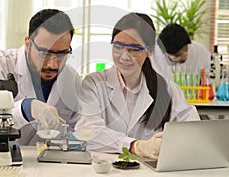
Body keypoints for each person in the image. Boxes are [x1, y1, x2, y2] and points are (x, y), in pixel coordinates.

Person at [75, 13, 200, 159]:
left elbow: (193, 130)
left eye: (134, 49)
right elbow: (88, 131)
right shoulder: (94, 84)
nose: (124, 56)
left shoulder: (168, 89)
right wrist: (136, 146)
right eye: (118, 47)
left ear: (150, 50)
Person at [0, 9, 81, 146]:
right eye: (44, 53)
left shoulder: (72, 80)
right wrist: (24, 109)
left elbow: (77, 130)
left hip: (50, 164)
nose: (52, 64)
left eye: (62, 53)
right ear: (28, 44)